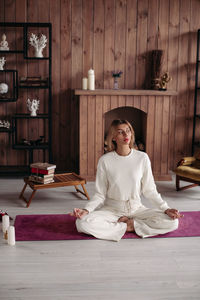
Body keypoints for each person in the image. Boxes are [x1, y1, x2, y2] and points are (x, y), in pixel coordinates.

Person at [71, 119, 183, 242]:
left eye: (128, 131)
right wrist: (87, 210)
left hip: (137, 208)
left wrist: (166, 209)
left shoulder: (142, 158)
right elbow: (100, 194)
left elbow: (150, 190)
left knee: (173, 222)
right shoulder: (105, 160)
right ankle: (128, 226)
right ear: (113, 137)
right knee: (82, 223)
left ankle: (130, 226)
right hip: (112, 210)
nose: (126, 135)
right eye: (120, 132)